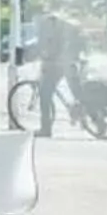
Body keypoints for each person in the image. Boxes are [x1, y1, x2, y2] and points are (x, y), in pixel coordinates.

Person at [34, 8, 80, 137]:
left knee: (45, 94)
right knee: (80, 93)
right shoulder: (63, 22)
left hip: (58, 65)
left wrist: (44, 57)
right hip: (73, 62)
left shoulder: (49, 23)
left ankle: (45, 129)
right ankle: (92, 117)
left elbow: (48, 46)